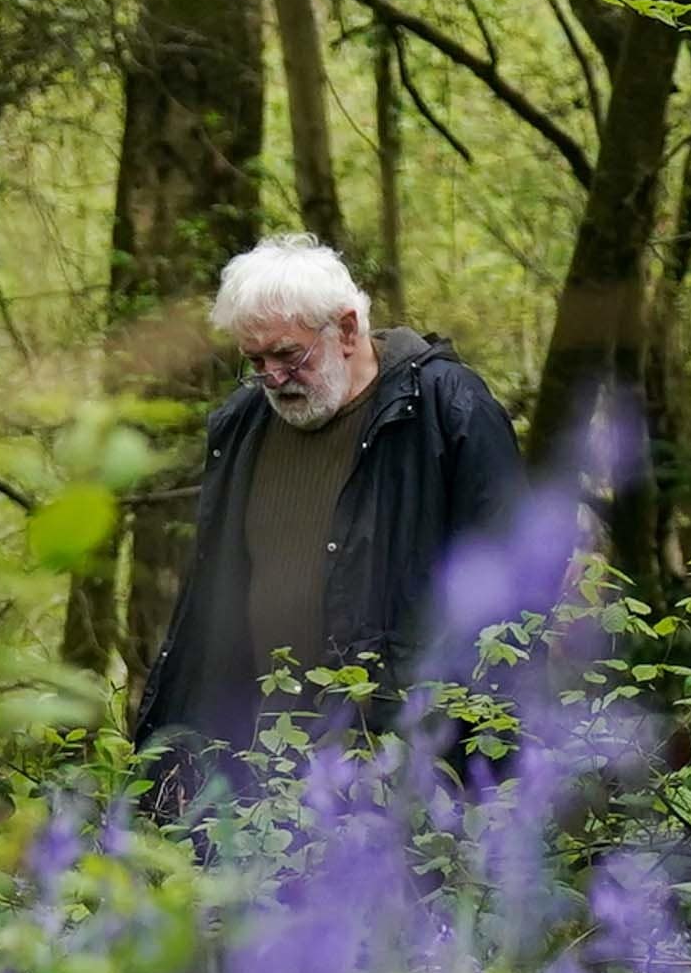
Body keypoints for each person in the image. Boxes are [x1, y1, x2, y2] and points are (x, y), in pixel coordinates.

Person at [127, 235, 529, 808]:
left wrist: (473, 772)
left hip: (403, 772)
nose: (272, 377)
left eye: (288, 355)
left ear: (346, 329)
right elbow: (212, 603)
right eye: (255, 361)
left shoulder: (449, 412)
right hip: (256, 771)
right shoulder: (240, 426)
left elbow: (510, 600)